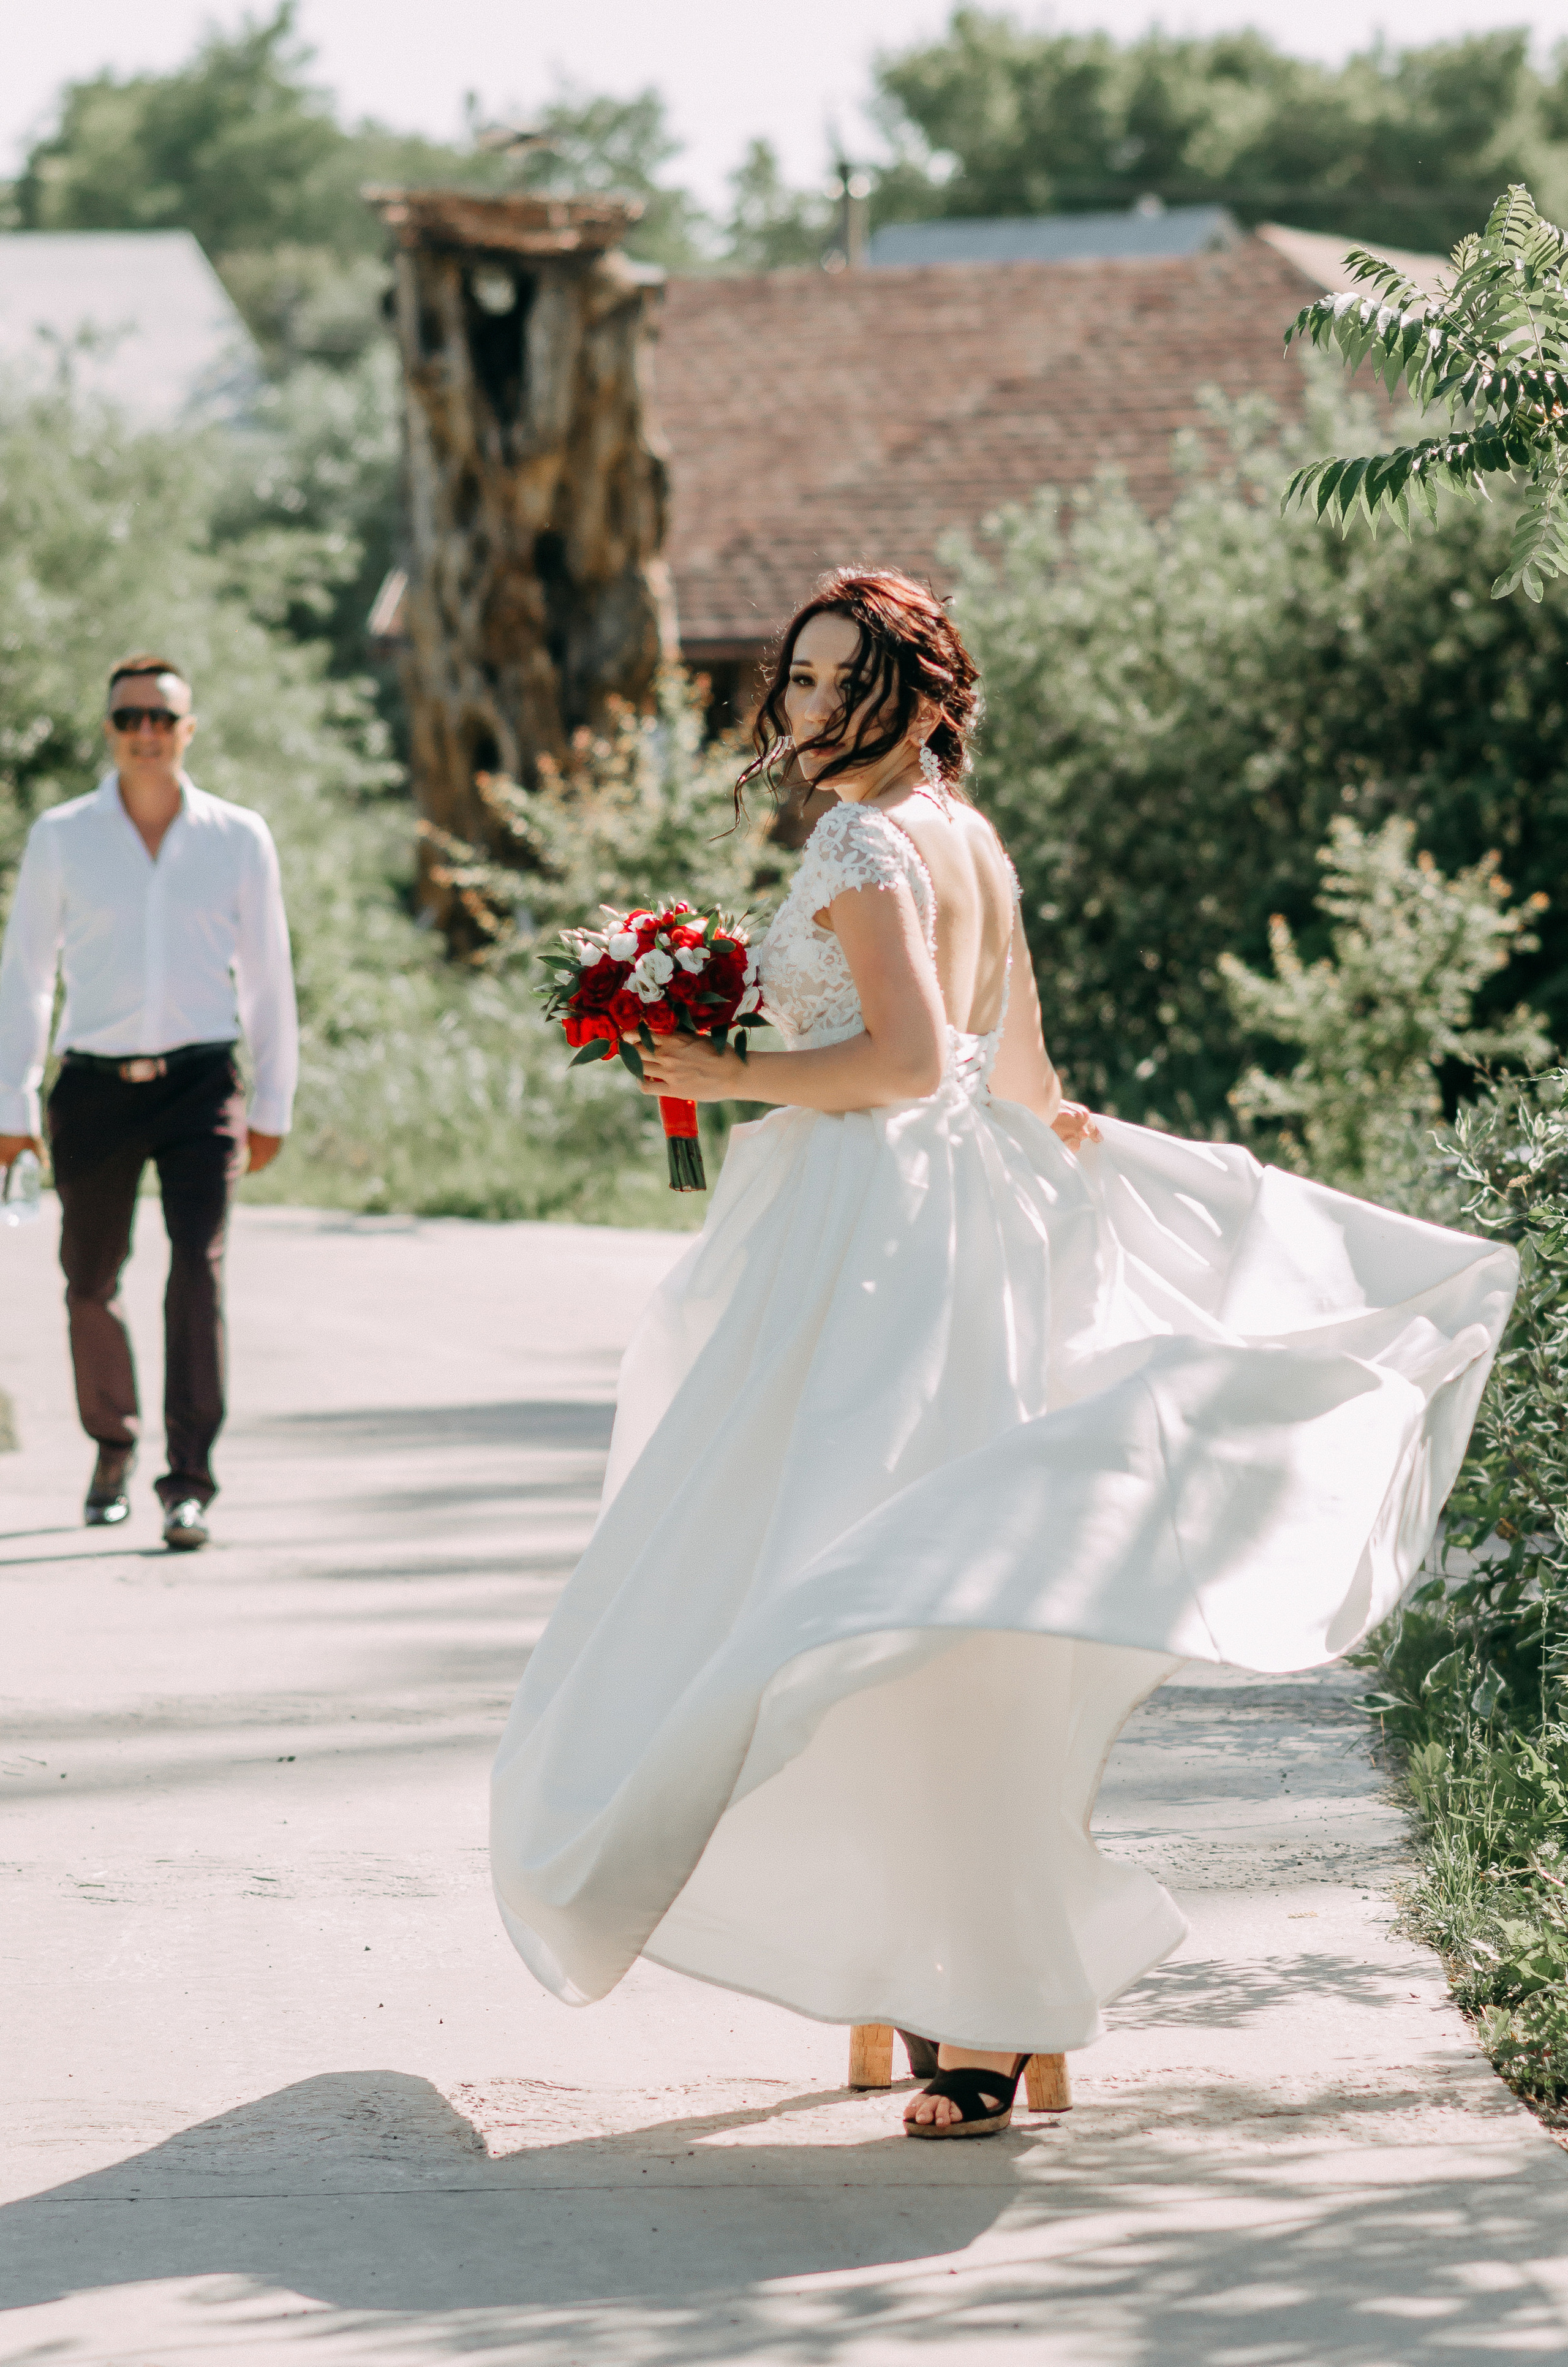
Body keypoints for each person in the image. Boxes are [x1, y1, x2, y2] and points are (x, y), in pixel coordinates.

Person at [489, 570, 1517, 2138]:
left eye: (840, 682)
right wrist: (1075, 1172)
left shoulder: (858, 840)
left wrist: (726, 1066)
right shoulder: (974, 840)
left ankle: (947, 1994)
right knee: (939, 1606)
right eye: (800, 679)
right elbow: (1025, 1078)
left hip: (873, 1250)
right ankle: (963, 1990)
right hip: (969, 1227)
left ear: (913, 693)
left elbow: (903, 1065)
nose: (806, 709)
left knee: (834, 1583)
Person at [0, 655, 298, 1550]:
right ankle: (111, 1448)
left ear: (187, 730)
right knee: (89, 1281)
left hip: (203, 1083)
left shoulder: (237, 837)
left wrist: (273, 1101)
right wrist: (12, 1104)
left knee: (195, 1272)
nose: (145, 731)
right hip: (91, 1088)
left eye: (162, 718)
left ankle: (190, 1482)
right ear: (110, 729)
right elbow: (26, 976)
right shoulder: (62, 836)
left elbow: (270, 978)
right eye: (130, 716)